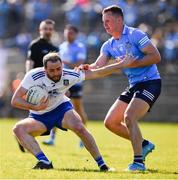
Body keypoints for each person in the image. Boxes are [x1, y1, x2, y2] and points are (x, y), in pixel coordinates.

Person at [11, 52, 132, 170]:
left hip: (61, 108)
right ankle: (44, 161)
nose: (56, 73)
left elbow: (97, 73)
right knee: (18, 129)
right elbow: (15, 100)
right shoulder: (33, 76)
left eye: (59, 69)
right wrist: (36, 107)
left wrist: (120, 64)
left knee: (79, 127)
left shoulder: (69, 75)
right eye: (51, 71)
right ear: (44, 69)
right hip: (39, 115)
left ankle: (102, 165)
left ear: (62, 66)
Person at [78, 5, 161, 171]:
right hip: (134, 85)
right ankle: (144, 144)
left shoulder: (135, 34)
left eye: (108, 21)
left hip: (150, 83)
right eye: (103, 22)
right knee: (110, 122)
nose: (105, 25)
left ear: (119, 20)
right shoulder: (108, 45)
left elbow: (156, 56)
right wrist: (87, 68)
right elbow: (98, 65)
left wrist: (132, 63)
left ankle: (138, 163)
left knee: (129, 117)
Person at [14, 19, 58, 152]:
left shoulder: (55, 48)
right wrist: (29, 79)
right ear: (40, 30)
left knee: (55, 108)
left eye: (50, 29)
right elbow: (30, 62)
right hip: (37, 85)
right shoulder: (35, 45)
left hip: (51, 85)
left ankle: (50, 137)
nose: (48, 31)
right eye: (45, 29)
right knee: (35, 112)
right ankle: (22, 135)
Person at [43, 25, 88, 147]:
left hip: (75, 82)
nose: (68, 35)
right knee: (55, 107)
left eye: (71, 33)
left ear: (76, 34)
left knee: (78, 109)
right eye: (67, 33)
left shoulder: (80, 47)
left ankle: (83, 139)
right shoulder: (61, 47)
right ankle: (52, 138)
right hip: (61, 82)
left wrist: (63, 61)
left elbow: (78, 64)